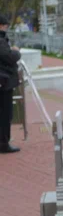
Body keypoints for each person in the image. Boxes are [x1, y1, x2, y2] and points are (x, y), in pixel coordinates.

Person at [0, 15, 21, 155]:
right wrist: (16, 51)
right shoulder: (1, 41)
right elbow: (9, 57)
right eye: (5, 25)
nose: (6, 28)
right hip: (3, 82)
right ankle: (3, 143)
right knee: (5, 113)